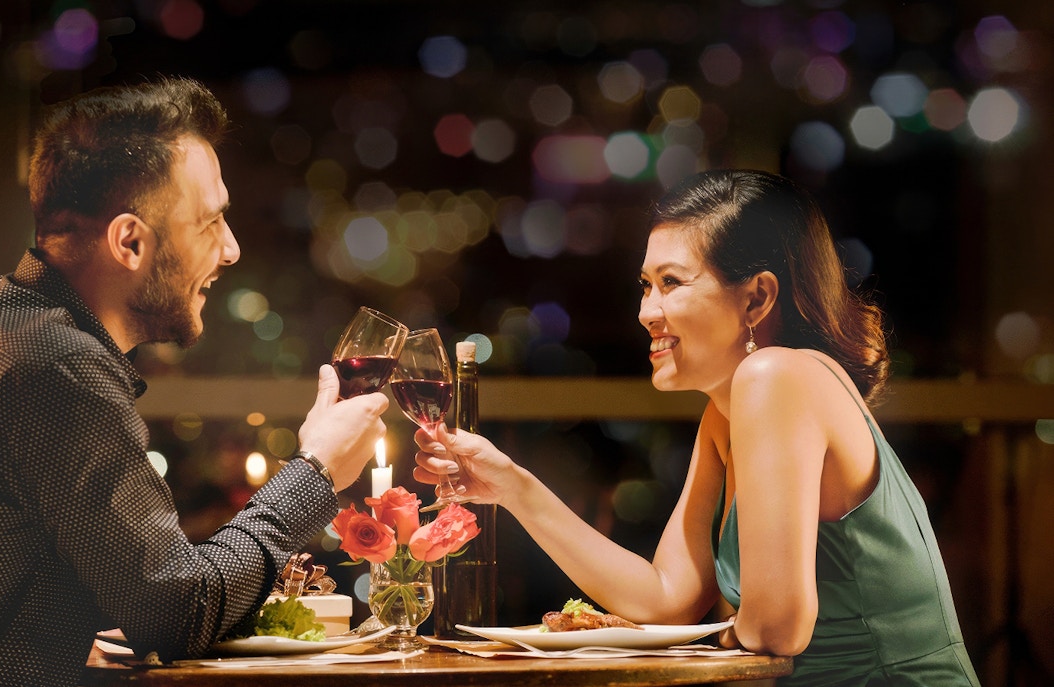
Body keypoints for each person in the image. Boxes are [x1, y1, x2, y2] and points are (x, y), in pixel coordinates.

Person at [0, 77, 388, 686]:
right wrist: (316, 472)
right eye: (209, 222)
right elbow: (176, 609)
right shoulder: (60, 372)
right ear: (130, 241)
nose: (230, 250)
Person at [414, 169, 980, 685]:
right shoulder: (728, 412)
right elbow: (666, 599)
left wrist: (725, 634)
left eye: (671, 283)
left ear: (757, 296)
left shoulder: (776, 377)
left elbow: (779, 628)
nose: (646, 311)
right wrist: (511, 486)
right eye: (645, 284)